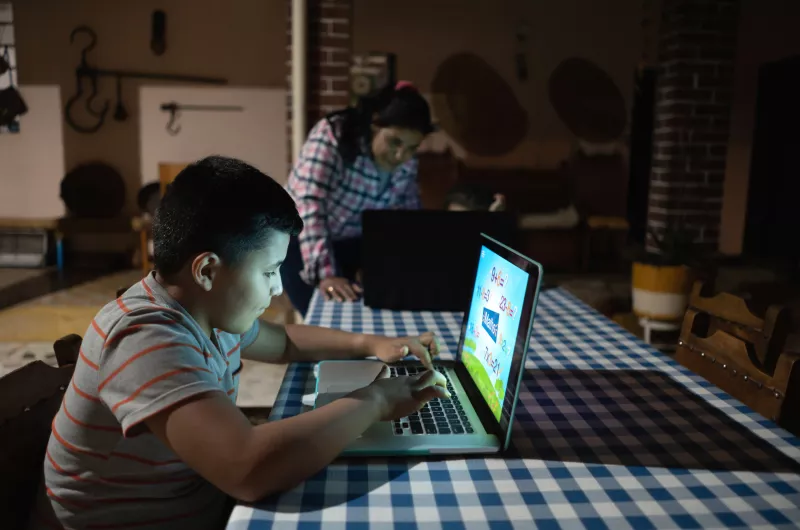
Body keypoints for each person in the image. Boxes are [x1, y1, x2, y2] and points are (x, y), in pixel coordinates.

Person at [30, 156, 449, 530]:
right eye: (270, 271)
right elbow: (246, 470)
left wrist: (371, 343)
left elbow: (283, 341)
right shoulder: (145, 338)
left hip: (196, 493)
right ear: (208, 270)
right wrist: (375, 400)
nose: (278, 287)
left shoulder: (203, 309)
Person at [283, 81, 435, 316]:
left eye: (412, 148)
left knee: (366, 311)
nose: (401, 155)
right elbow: (309, 204)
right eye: (395, 142)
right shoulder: (334, 133)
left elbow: (408, 215)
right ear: (374, 123)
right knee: (324, 319)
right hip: (300, 239)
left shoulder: (407, 160)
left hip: (356, 240)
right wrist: (327, 274)